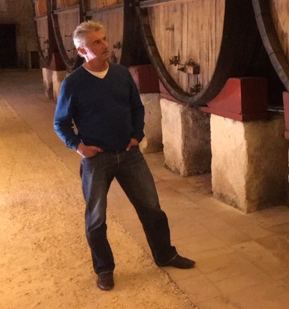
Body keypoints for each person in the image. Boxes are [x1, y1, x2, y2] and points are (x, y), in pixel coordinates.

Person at [53, 21, 194, 291]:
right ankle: (104, 269)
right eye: (96, 42)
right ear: (82, 50)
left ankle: (165, 254)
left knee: (152, 209)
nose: (105, 45)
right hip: (97, 160)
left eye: (104, 39)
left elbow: (136, 107)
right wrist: (78, 147)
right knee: (96, 219)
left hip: (130, 155)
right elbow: (60, 123)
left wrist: (137, 135)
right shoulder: (73, 84)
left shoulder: (121, 73)